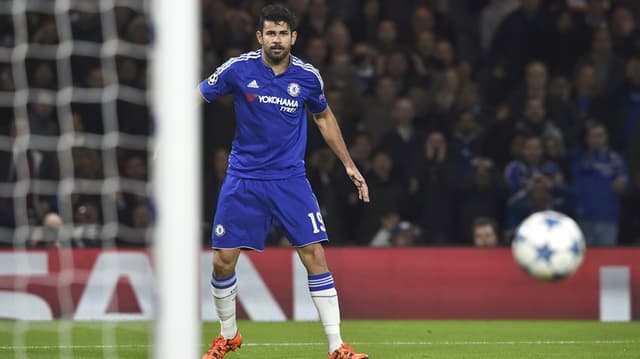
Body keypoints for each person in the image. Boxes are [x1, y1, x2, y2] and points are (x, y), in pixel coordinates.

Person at [198, 5, 369, 359]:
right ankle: (228, 336)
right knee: (221, 261)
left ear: (294, 37)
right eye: (270, 33)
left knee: (314, 255)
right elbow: (196, 96)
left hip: (289, 180)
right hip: (243, 178)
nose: (277, 39)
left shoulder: (308, 77)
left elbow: (324, 118)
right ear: (260, 37)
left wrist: (348, 164)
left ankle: (336, 346)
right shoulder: (237, 69)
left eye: (283, 33)